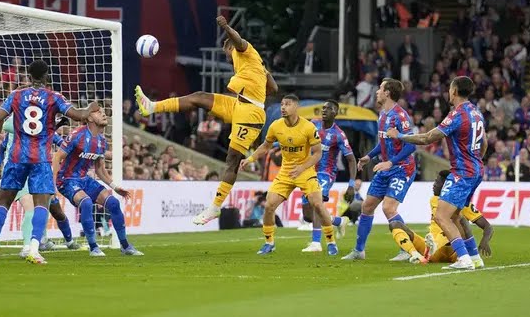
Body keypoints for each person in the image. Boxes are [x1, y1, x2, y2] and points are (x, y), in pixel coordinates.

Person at [135, 15, 277, 225]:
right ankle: (152, 107)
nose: (226, 56)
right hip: (238, 104)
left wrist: (226, 27)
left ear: (229, 47)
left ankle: (215, 207)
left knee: (232, 161)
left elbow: (238, 40)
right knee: (199, 97)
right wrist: (264, 74)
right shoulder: (252, 64)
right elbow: (274, 89)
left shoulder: (243, 50)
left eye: (225, 52)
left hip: (251, 113)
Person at [0, 59, 98, 265]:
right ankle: (34, 249)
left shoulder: (16, 95)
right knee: (41, 204)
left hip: (16, 156)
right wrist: (91, 106)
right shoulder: (53, 97)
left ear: (28, 76)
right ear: (47, 76)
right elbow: (80, 116)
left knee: (3, 201)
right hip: (40, 158)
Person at [387, 76, 486, 270]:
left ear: (454, 91)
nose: (448, 92)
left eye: (450, 89)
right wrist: (476, 160)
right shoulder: (476, 113)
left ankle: (464, 259)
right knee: (456, 216)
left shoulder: (457, 114)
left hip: (463, 171)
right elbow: (486, 142)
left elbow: (427, 138)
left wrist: (399, 136)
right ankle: (474, 257)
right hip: (476, 169)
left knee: (442, 217)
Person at [242, 94, 339, 256]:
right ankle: (269, 243)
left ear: (296, 107)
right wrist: (250, 158)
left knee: (317, 204)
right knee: (269, 206)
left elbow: (317, 154)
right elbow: (265, 146)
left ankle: (330, 241)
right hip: (286, 172)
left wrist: (302, 167)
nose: (283, 107)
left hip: (305, 171)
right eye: (282, 104)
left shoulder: (308, 127)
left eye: (287, 104)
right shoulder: (276, 126)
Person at [0, 115, 80, 263]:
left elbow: (59, 142)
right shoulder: (16, 124)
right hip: (23, 167)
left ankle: (57, 240)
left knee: (54, 210)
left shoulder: (23, 120)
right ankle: (25, 245)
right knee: (21, 205)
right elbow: (5, 137)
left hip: (31, 167)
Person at [342, 78, 416, 262]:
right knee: (367, 206)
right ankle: (359, 251)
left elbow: (411, 145)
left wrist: (391, 162)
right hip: (385, 168)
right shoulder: (382, 115)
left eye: (380, 89)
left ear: (388, 93)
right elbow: (383, 143)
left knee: (389, 208)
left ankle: (406, 249)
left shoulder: (400, 116)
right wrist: (369, 156)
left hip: (402, 169)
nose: (376, 92)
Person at [53, 108, 143, 257]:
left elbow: (100, 169)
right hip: (66, 180)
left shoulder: (101, 141)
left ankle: (125, 246)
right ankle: (93, 247)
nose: (103, 114)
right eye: (98, 112)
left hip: (85, 179)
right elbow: (57, 157)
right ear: (89, 118)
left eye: (103, 111)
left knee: (113, 203)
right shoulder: (77, 135)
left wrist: (114, 186)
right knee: (87, 203)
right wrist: (52, 183)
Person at [389, 170, 493, 265]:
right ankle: (415, 254)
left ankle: (468, 257)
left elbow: (488, 227)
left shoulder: (461, 202)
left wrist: (485, 241)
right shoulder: (434, 199)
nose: (433, 185)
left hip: (454, 251)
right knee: (395, 224)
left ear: (446, 185)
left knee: (460, 219)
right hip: (434, 251)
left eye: (437, 182)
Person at [300, 100, 357, 253]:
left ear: (335, 113)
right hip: (309, 171)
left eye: (328, 108)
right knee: (307, 213)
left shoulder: (338, 135)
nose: (324, 110)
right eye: (323, 108)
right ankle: (337, 221)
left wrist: (351, 184)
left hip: (326, 173)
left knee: (316, 203)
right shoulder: (313, 125)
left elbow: (351, 160)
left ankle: (316, 243)